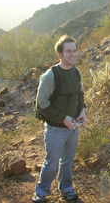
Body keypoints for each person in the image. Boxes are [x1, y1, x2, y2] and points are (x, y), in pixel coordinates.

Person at [32, 35, 88, 203]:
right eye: (68, 51)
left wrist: (83, 111)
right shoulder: (50, 75)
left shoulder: (76, 72)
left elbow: (80, 95)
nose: (72, 54)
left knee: (68, 161)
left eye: (74, 50)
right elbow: (41, 104)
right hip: (56, 128)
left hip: (73, 126)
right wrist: (63, 118)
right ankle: (41, 193)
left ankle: (66, 188)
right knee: (52, 163)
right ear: (60, 54)